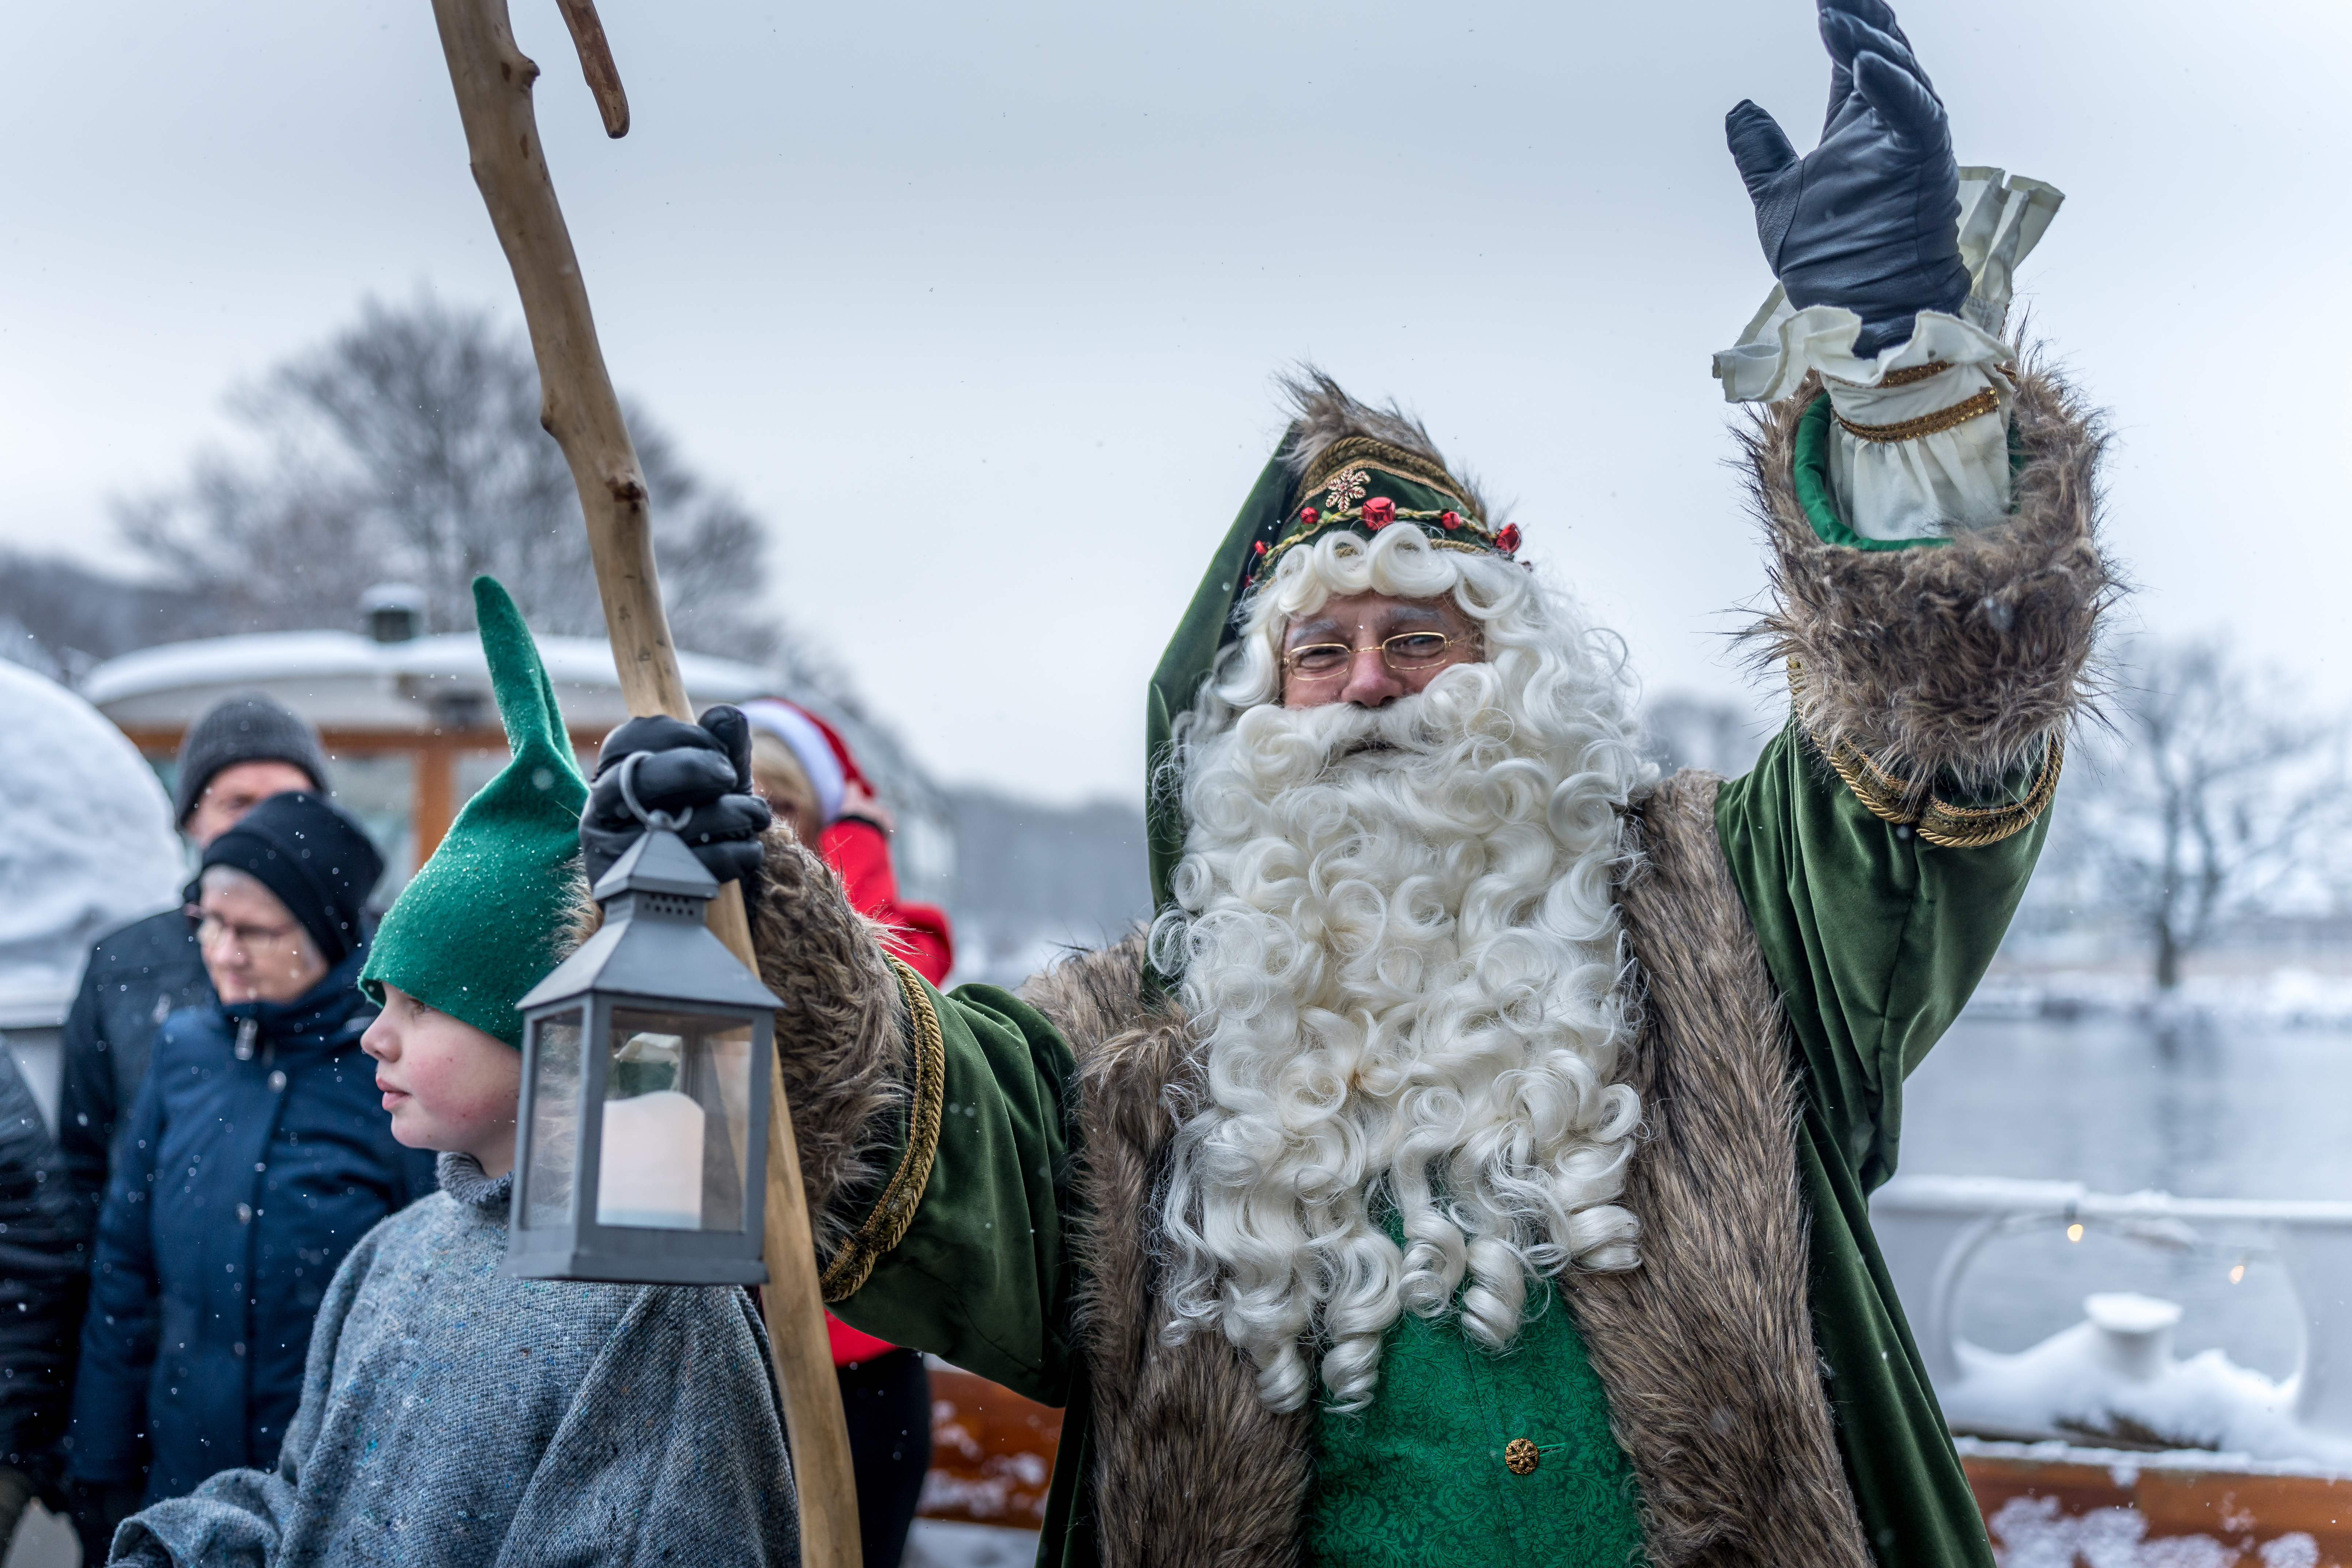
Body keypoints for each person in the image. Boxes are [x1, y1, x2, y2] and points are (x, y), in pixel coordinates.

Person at [601, 4, 2106, 1562]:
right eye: (1317, 652)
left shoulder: (1732, 919)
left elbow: (1922, 755)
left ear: (1522, 682)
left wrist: (1896, 376)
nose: (1370, 683)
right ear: (1249, 723)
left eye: (1419, 638)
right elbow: (913, 1138)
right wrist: (740, 910)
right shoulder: (1133, 1049)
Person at [102, 578, 796, 1568]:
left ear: (549, 1027)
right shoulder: (392, 1253)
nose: (373, 1038)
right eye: (379, 1000)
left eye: (420, 1007)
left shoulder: (652, 1306)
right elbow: (314, 1501)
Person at [67, 792, 434, 1546]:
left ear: (327, 935)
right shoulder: (186, 1051)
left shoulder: (389, 1065)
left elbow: (431, 1290)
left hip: (329, 1497)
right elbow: (125, 1265)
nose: (223, 951)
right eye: (209, 922)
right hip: (180, 1473)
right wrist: (101, 1459)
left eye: (255, 932)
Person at [745, 696, 948, 1568]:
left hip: (855, 1356)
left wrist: (853, 854)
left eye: (783, 807)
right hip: (735, 1348)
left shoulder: (904, 943)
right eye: (745, 807)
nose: (764, 832)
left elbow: (866, 996)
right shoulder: (697, 939)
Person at [57, 696, 332, 1227]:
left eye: (288, 802)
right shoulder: (122, 965)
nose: (266, 824)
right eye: (238, 803)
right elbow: (82, 1165)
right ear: (191, 821)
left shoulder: (379, 959)